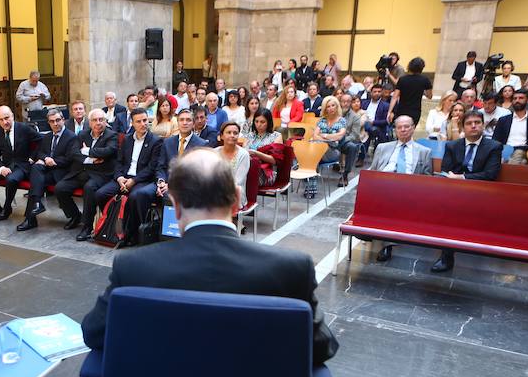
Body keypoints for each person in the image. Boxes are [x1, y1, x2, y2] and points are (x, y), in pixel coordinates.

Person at [81, 147, 339, 365]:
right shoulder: (291, 269)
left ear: (175, 205)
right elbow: (323, 348)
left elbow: (93, 333)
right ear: (237, 201)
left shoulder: (132, 267)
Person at [432, 111, 503, 272]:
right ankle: (446, 255)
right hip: (455, 192)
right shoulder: (453, 145)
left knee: (454, 212)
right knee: (448, 210)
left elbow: (490, 175)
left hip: (481, 192)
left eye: (477, 122)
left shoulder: (494, 146)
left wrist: (462, 178)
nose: (473, 126)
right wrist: (455, 181)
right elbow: (445, 170)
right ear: (462, 126)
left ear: (483, 125)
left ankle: (449, 251)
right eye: (469, 123)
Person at [369, 116, 433, 263]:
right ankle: (386, 242)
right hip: (384, 188)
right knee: (387, 200)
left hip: (410, 191)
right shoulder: (382, 148)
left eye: (407, 126)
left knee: (394, 203)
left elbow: (428, 180)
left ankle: (387, 244)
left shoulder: (424, 152)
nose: (403, 129)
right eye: (399, 127)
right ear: (395, 130)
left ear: (413, 128)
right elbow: (372, 172)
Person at [94, 109, 163, 247]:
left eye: (145, 120)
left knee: (134, 196)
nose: (143, 124)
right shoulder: (126, 139)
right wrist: (119, 177)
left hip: (141, 179)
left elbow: (151, 168)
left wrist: (134, 181)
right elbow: (119, 162)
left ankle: (131, 233)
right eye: (139, 121)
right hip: (123, 177)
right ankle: (112, 223)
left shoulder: (156, 141)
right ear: (132, 123)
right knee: (100, 194)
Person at [55, 108, 118, 241]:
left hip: (100, 174)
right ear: (90, 122)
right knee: (60, 188)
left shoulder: (111, 135)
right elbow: (73, 152)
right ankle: (75, 216)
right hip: (81, 171)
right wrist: (90, 158)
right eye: (95, 120)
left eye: (101, 120)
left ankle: (87, 226)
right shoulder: (82, 134)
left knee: (89, 189)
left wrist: (87, 150)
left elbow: (108, 151)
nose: (98, 123)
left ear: (106, 122)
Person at [0, 106, 43, 221]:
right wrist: (1, 167)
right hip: (6, 164)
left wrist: (33, 157)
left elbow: (41, 141)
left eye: (7, 118)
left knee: (11, 179)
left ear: (12, 116)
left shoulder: (24, 128)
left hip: (22, 165)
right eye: (1, 120)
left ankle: (7, 208)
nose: (5, 122)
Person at [17, 109, 77, 232]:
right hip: (48, 171)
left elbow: (70, 158)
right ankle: (34, 211)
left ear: (63, 120)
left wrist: (53, 161)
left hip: (63, 172)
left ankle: (75, 216)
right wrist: (44, 159)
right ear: (49, 123)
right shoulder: (47, 136)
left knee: (37, 182)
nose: (55, 123)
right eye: (52, 121)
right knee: (36, 169)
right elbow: (40, 152)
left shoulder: (71, 137)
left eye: (58, 120)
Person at [156, 108, 208, 197]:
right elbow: (161, 166)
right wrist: (161, 181)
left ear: (193, 123)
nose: (184, 123)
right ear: (177, 122)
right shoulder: (168, 142)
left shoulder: (202, 144)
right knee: (142, 194)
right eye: (181, 120)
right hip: (166, 183)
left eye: (188, 120)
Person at [313, 95, 355, 188]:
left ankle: (345, 175)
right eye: (328, 106)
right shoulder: (322, 121)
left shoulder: (342, 121)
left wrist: (324, 135)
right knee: (315, 144)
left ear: (337, 107)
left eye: (333, 105)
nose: (331, 108)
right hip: (320, 148)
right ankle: (310, 173)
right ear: (325, 108)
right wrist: (329, 138)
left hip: (335, 149)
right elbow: (315, 136)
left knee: (352, 147)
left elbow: (339, 136)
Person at [492, 89, 528, 165]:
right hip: (505, 150)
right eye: (515, 98)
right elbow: (495, 139)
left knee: (518, 154)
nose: (517, 100)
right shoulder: (503, 120)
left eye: (521, 98)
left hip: (526, 151)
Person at [245, 110, 285, 187]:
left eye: (262, 122)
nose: (258, 125)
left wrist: (256, 153)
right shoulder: (250, 135)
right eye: (256, 121)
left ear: (268, 122)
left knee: (240, 178)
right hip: (248, 169)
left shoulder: (276, 136)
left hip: (267, 173)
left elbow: (274, 161)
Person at [388, 57, 432, 126]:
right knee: (410, 131)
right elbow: (429, 96)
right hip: (415, 110)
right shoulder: (425, 80)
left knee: (401, 131)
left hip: (402, 110)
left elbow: (395, 97)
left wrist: (389, 111)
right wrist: (422, 91)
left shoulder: (403, 79)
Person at [215, 121, 250, 208]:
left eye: (235, 133)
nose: (232, 135)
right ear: (221, 136)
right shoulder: (213, 152)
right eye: (228, 132)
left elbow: (238, 181)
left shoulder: (243, 154)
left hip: (235, 192)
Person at [338, 93, 365, 172]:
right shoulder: (334, 113)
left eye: (348, 102)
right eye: (343, 101)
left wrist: (340, 140)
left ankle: (345, 173)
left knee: (352, 147)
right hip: (330, 140)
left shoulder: (355, 117)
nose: (345, 104)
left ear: (350, 103)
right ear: (340, 102)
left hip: (345, 140)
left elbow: (354, 135)